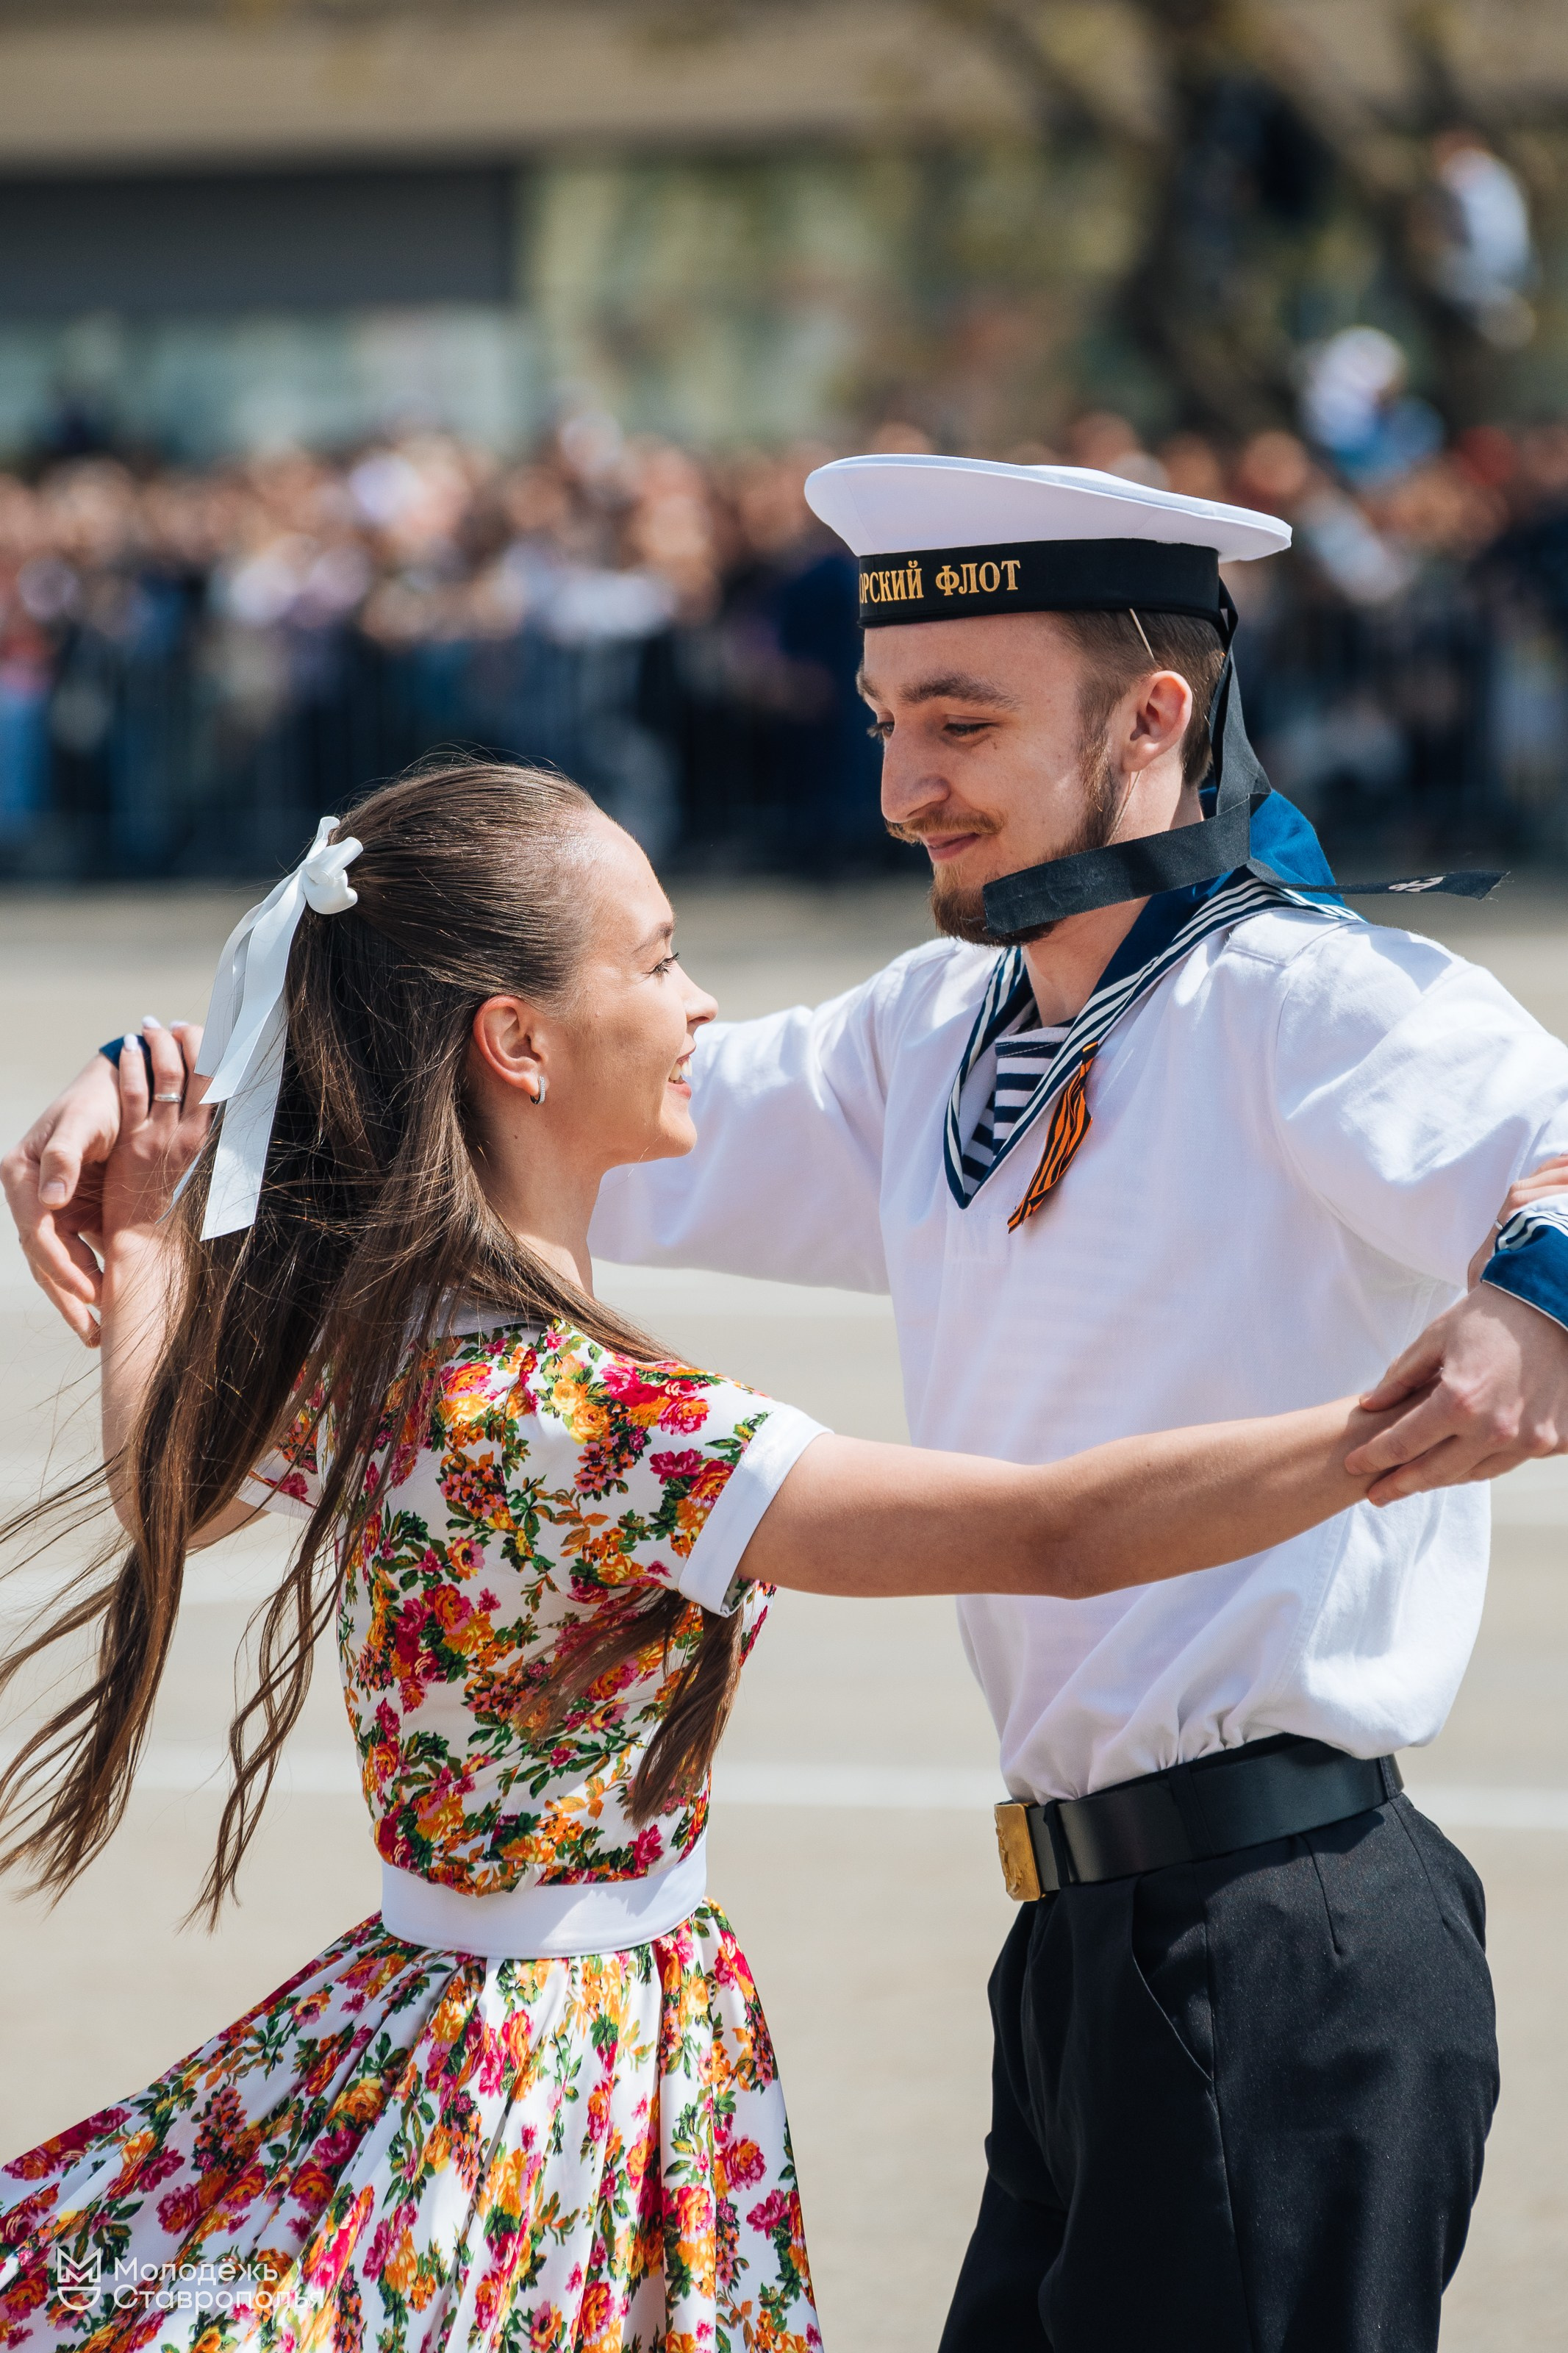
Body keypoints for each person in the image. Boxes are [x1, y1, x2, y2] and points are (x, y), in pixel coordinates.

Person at [6, 471, 1568, 2353]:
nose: (902, 784)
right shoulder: (937, 1036)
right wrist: (175, 1093)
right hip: (1082, 1943)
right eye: (884, 719)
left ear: (1149, 717)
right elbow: (509, 1087)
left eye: (961, 723)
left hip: (1288, 1924)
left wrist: (1528, 1309)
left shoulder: (1312, 1004)